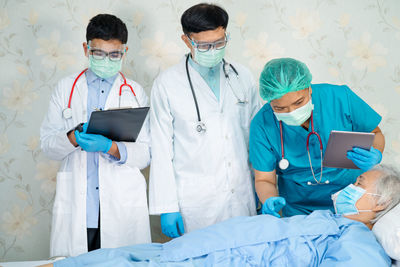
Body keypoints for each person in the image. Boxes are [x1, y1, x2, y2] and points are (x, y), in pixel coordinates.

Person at [44, 165, 400, 267]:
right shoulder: (331, 220)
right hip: (198, 247)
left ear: (381, 204)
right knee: (123, 256)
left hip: (220, 258)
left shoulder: (358, 240)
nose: (349, 187)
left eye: (359, 182)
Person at [40, 14, 151, 257]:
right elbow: (48, 146)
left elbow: (145, 154)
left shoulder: (135, 92)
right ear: (86, 48)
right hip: (80, 207)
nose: (106, 60)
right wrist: (73, 136)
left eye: (114, 54)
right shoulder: (66, 88)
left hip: (121, 205)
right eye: (98, 53)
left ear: (124, 51)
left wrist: (110, 147)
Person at [148, 3, 261, 238]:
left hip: (242, 194)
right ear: (186, 40)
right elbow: (160, 148)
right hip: (197, 201)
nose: (213, 50)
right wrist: (167, 207)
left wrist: (262, 189)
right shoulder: (167, 84)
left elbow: (256, 138)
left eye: (220, 43)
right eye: (204, 45)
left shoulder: (242, 76)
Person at [249, 58, 385, 217]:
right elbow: (264, 180)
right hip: (297, 211)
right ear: (270, 102)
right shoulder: (262, 123)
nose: (292, 112)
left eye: (299, 102)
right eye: (280, 108)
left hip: (351, 203)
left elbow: (376, 133)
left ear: (309, 88)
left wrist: (376, 153)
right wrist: (270, 201)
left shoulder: (339, 98)